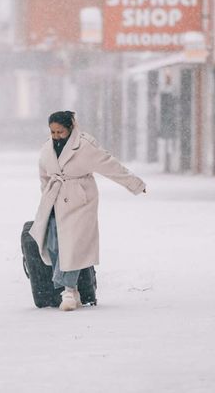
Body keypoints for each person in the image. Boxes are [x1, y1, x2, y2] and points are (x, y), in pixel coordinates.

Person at [29, 111, 146, 312]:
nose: (56, 136)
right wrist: (46, 197)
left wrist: (135, 184)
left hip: (79, 202)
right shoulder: (47, 147)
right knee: (54, 244)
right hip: (54, 201)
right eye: (53, 132)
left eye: (60, 131)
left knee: (73, 245)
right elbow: (44, 176)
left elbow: (111, 166)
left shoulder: (84, 146)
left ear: (70, 129)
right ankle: (71, 290)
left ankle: (68, 289)